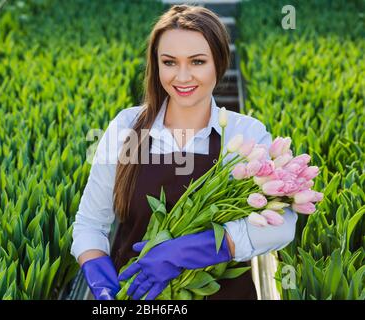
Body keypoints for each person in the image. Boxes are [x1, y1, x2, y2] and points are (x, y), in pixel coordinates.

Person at [71, 4, 297, 300]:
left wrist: (199, 249)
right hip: (139, 296)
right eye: (169, 62)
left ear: (219, 62)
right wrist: (97, 269)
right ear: (157, 65)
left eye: (197, 62)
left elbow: (283, 224)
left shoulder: (244, 135)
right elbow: (90, 222)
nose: (182, 76)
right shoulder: (127, 127)